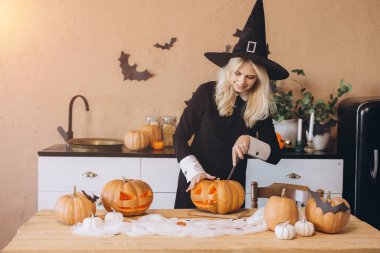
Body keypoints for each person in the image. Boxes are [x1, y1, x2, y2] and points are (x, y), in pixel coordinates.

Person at [173, 0, 289, 208]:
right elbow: (179, 136)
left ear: (259, 80)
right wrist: (195, 172)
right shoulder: (206, 93)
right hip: (196, 184)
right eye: (237, 73)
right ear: (229, 70)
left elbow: (275, 156)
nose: (242, 82)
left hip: (230, 191)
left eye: (250, 77)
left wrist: (249, 141)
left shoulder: (259, 108)